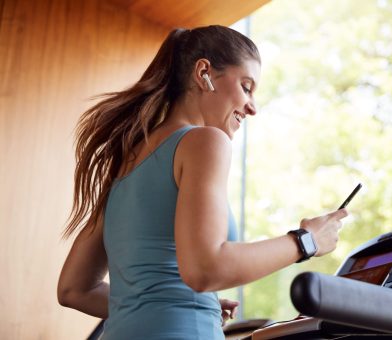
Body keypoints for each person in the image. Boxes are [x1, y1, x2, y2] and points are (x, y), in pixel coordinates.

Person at [57, 25, 348, 340]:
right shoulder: (206, 141)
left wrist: (183, 304)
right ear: (204, 72)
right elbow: (204, 269)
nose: (253, 106)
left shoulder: (127, 159)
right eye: (246, 86)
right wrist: (306, 241)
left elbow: (74, 288)